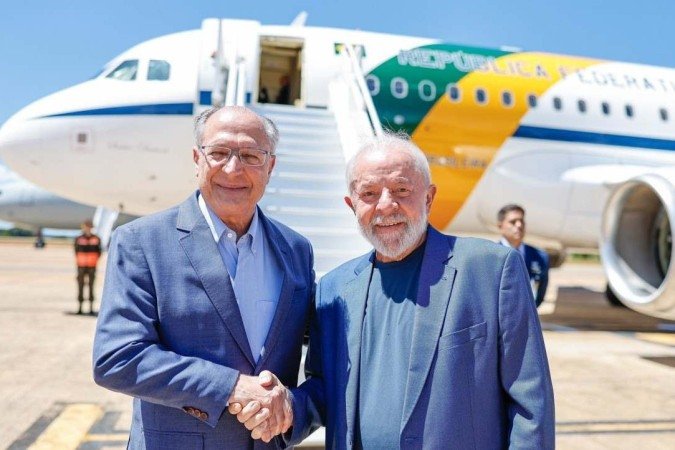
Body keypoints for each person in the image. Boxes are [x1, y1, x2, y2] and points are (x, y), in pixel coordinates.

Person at [234, 133, 555, 449]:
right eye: (369, 193)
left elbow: (530, 404)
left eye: (401, 190)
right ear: (352, 205)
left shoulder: (491, 271)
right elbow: (325, 391)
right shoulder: (334, 290)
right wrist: (289, 407)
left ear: (428, 197)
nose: (386, 205)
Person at [93, 106, 313, 449]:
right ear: (197, 159)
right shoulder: (141, 242)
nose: (233, 168)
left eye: (251, 155)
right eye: (219, 153)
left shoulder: (296, 250)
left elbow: (317, 363)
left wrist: (291, 408)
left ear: (270, 167)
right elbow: (117, 358)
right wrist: (231, 387)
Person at [497, 204, 550, 307]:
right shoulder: (490, 256)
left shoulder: (540, 256)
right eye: (513, 222)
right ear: (500, 226)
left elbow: (541, 291)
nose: (519, 225)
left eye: (521, 221)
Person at [74, 219, 101, 314]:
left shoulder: (96, 238)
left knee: (91, 286)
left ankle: (91, 308)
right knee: (80, 286)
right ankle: (80, 308)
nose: (87, 228)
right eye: (86, 227)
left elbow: (99, 252)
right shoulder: (78, 238)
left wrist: (93, 260)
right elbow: (76, 251)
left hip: (92, 266)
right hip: (81, 266)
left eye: (89, 227)